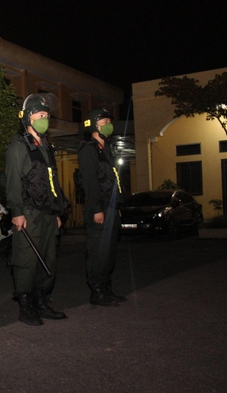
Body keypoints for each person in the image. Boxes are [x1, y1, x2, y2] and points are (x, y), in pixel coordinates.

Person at [5, 93, 68, 326]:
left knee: (48, 259)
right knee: (27, 260)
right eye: (39, 115)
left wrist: (58, 212)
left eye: (46, 115)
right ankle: (26, 305)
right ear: (27, 118)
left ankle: (42, 301)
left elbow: (54, 182)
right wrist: (17, 212)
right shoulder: (19, 147)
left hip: (49, 214)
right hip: (29, 213)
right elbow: (13, 182)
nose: (44, 119)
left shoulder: (47, 147)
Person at [77, 107, 127, 307]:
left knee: (109, 252)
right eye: (104, 121)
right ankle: (97, 292)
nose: (108, 125)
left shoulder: (107, 148)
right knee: (98, 252)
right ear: (93, 125)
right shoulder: (88, 149)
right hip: (99, 209)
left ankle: (107, 288)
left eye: (109, 121)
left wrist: (118, 204)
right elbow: (90, 182)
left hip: (111, 207)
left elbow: (114, 179)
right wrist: (97, 208)